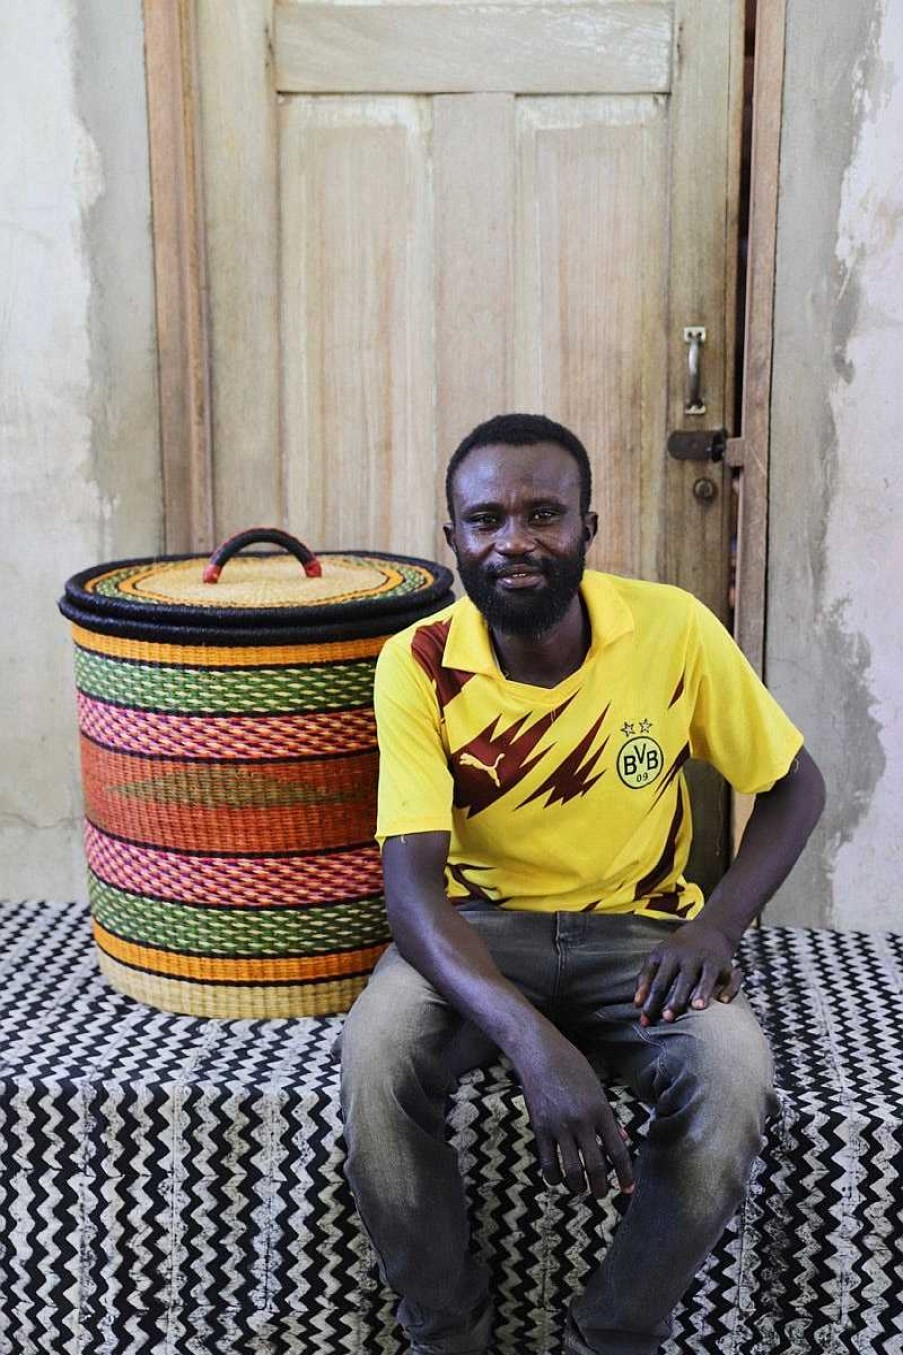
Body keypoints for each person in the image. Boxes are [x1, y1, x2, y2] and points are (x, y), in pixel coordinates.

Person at [340, 412, 825, 1355]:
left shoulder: (673, 629)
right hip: (477, 933)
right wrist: (533, 1044)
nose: (513, 540)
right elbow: (411, 893)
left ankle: (612, 1332)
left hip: (639, 936)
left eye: (543, 514)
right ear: (452, 540)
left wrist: (717, 929)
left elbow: (794, 786)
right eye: (485, 520)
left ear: (588, 529)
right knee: (377, 1058)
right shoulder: (418, 663)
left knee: (730, 1076)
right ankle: (448, 1334)